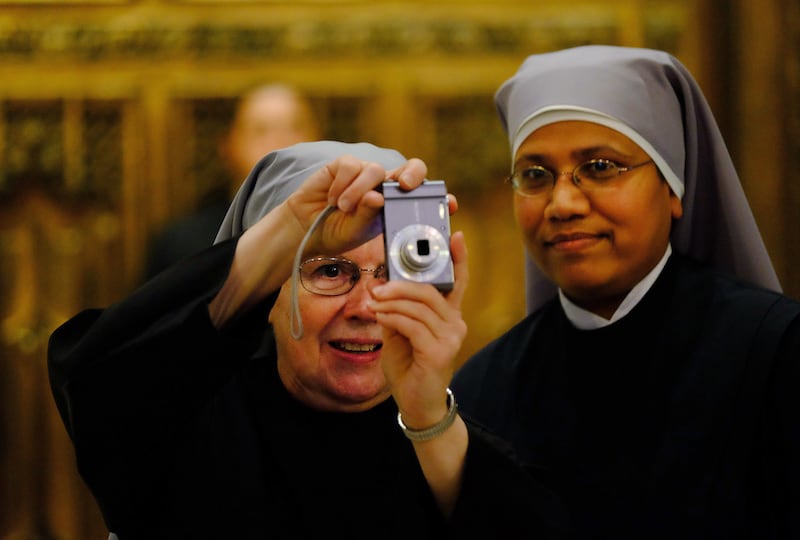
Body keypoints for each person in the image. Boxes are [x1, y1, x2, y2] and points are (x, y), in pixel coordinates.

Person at [48, 141, 570, 539]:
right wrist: (294, 228)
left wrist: (431, 421)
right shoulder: (184, 425)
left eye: (394, 273)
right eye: (330, 271)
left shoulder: (456, 434)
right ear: (266, 297)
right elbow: (95, 382)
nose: (367, 307)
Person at [452, 45, 800, 539]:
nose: (563, 203)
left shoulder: (775, 353)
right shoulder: (483, 388)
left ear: (673, 187)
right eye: (535, 175)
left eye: (599, 167)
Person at [143, 83, 321, 280]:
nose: (281, 142)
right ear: (229, 145)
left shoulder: (346, 232)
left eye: (295, 127)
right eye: (261, 130)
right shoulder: (182, 245)